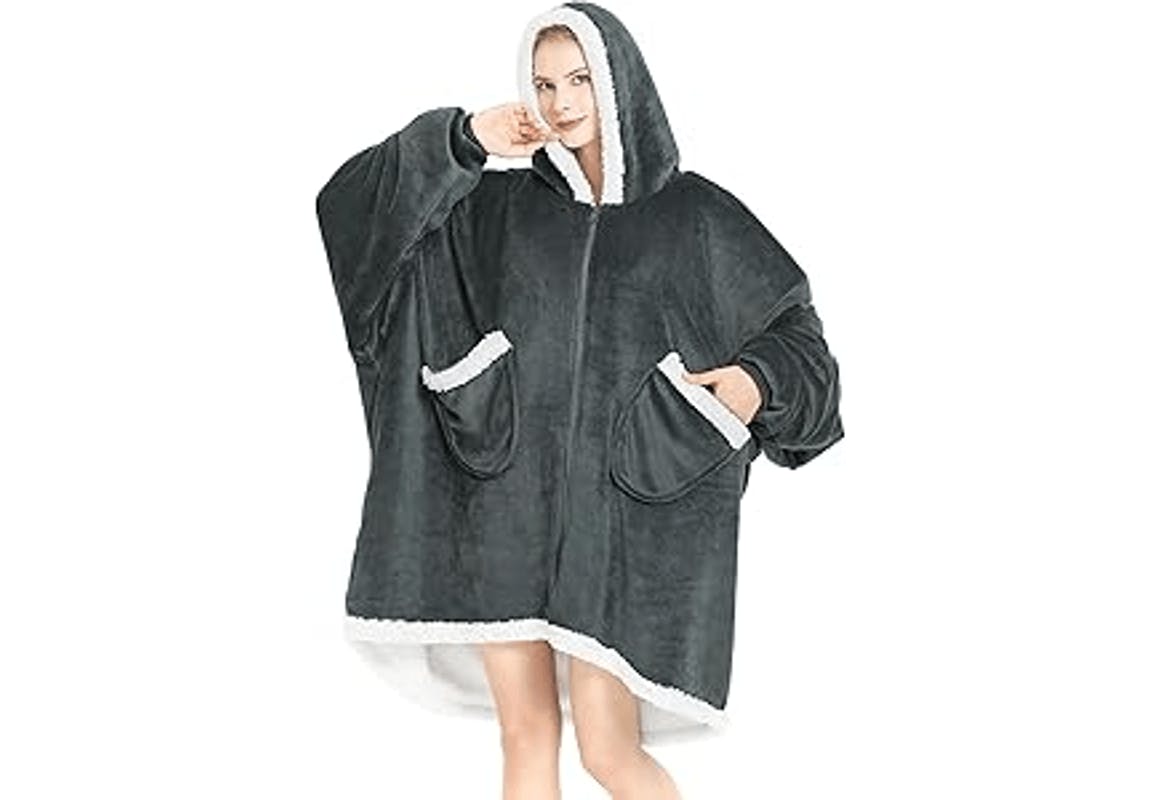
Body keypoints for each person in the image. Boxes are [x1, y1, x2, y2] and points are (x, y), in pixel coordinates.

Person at [315, 3, 844, 798]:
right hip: (500, 506)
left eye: (579, 80)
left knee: (608, 750)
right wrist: (463, 140)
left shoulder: (697, 217)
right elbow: (354, 211)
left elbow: (801, 342)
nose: (561, 102)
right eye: (544, 84)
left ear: (620, 83)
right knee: (524, 735)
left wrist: (756, 381)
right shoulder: (493, 209)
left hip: (625, 520)